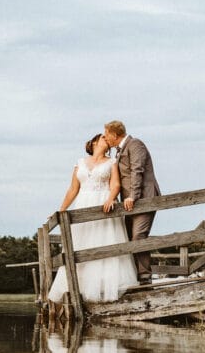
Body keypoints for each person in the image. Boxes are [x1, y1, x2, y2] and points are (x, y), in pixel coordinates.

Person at [47, 133, 138, 304]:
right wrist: (61, 210)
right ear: (95, 141)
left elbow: (116, 185)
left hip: (102, 204)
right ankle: (77, 287)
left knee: (103, 243)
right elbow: (73, 189)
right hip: (83, 204)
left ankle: (103, 290)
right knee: (82, 243)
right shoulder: (80, 163)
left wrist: (111, 198)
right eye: (104, 137)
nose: (108, 140)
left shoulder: (112, 162)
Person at [102, 120, 161, 285]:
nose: (106, 138)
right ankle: (134, 275)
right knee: (128, 237)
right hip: (130, 203)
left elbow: (137, 170)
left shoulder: (135, 144)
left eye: (107, 135)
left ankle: (145, 277)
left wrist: (133, 196)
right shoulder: (119, 150)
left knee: (138, 236)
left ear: (114, 134)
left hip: (144, 198)